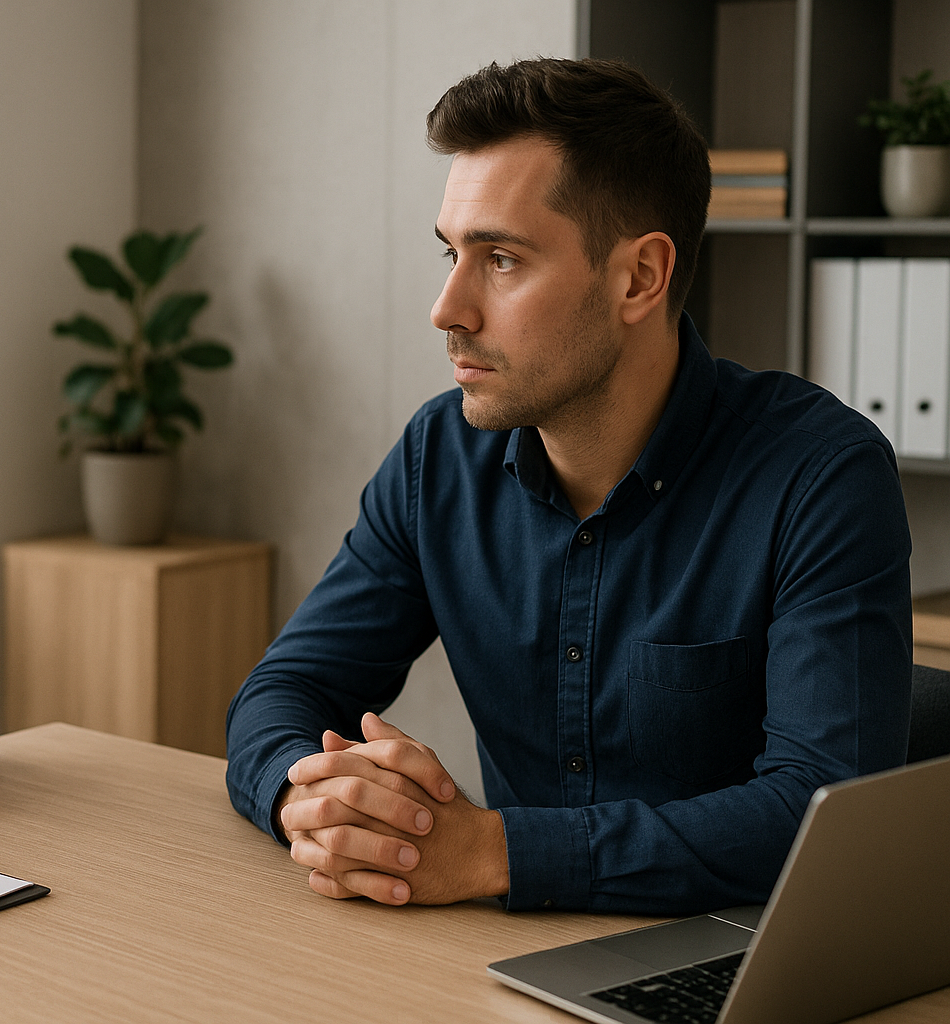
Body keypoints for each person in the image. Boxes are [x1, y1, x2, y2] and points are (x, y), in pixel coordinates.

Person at [224, 58, 913, 915]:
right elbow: (285, 692)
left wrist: (497, 853)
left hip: (739, 959)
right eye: (452, 253)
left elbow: (819, 811)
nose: (447, 308)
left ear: (639, 278)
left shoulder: (820, 474)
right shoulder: (437, 457)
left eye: (501, 259)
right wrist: (314, 802)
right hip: (497, 956)